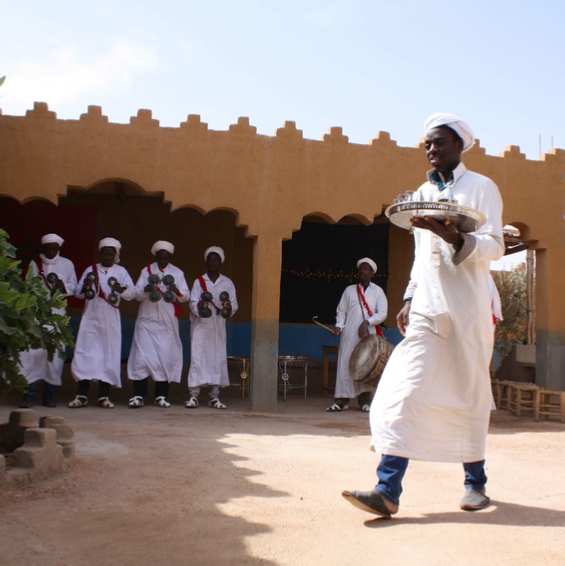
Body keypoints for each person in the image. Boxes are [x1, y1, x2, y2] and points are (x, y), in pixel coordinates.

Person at [342, 112, 504, 517]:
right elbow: (420, 257)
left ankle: (475, 485)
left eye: (440, 142)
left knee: (468, 396)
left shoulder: (481, 187)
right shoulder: (420, 193)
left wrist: (457, 237)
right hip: (429, 313)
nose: (432, 149)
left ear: (459, 145)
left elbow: (496, 245)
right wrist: (410, 297)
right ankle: (387, 489)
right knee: (402, 391)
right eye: (427, 144)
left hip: (467, 313)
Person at [69, 238, 135, 409]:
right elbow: (77, 293)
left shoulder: (121, 271)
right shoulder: (90, 270)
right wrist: (86, 286)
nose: (107, 257)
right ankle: (81, 395)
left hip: (110, 320)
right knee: (85, 354)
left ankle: (103, 396)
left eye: (110, 254)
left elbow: (132, 293)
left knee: (108, 355)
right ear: (101, 254)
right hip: (90, 318)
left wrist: (121, 289)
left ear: (115, 255)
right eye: (105, 254)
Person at [127, 241, 190, 408]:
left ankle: (161, 396)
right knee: (141, 357)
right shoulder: (146, 271)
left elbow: (186, 296)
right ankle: (138, 396)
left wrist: (176, 290)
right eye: (160, 258)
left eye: (166, 258)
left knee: (164, 357)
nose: (163, 261)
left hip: (167, 323)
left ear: (169, 257)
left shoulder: (177, 272)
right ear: (156, 257)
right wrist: (145, 290)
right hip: (147, 321)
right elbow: (136, 294)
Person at [18, 233, 77, 408]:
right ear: (44, 248)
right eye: (48, 248)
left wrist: (62, 287)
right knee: (32, 354)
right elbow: (27, 286)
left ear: (59, 249)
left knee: (53, 356)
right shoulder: (35, 264)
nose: (51, 251)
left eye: (54, 248)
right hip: (37, 314)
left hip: (57, 314)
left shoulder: (67, 264)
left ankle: (48, 395)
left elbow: (74, 286)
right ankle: (28, 394)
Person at [327, 258, 388, 412]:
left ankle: (365, 401)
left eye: (366, 269)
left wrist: (368, 322)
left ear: (372, 272)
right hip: (349, 334)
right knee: (345, 364)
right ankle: (341, 401)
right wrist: (339, 327)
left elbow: (382, 313)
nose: (362, 271)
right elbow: (341, 312)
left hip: (368, 335)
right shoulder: (349, 291)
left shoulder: (378, 291)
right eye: (361, 268)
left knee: (366, 365)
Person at [185, 246, 238, 409]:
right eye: (210, 259)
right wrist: (199, 305)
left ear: (221, 262)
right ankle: (193, 396)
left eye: (216, 260)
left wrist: (228, 306)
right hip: (201, 327)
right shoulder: (199, 281)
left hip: (218, 327)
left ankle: (214, 396)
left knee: (217, 359)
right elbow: (192, 303)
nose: (213, 262)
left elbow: (234, 305)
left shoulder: (227, 282)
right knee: (198, 359)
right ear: (206, 262)